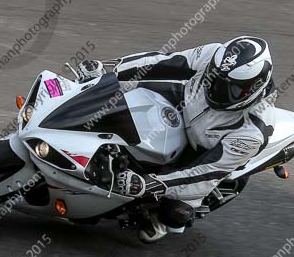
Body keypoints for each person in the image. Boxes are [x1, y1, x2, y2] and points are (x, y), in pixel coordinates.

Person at [88, 36, 276, 242]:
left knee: (175, 213)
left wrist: (150, 184)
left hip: (201, 153)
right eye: (214, 80)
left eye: (232, 89)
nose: (217, 90)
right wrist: (110, 69)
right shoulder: (214, 55)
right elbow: (163, 61)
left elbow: (205, 173)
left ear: (255, 86)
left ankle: (159, 221)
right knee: (118, 91)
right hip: (183, 101)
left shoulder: (252, 132)